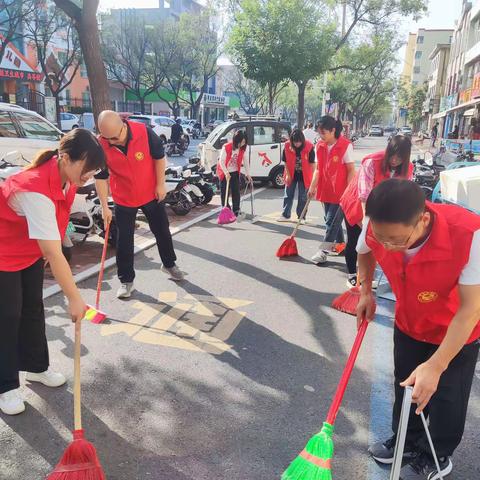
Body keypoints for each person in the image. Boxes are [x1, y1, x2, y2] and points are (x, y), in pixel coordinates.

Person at [357, 179, 480, 480]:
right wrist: (365, 292)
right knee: (406, 386)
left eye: (397, 241)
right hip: (410, 322)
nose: (388, 247)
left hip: (456, 330)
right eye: (381, 238)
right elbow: (365, 252)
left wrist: (437, 365)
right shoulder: (378, 225)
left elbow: (470, 309)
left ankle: (436, 453)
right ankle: (406, 441)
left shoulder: (468, 234)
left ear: (422, 220)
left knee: (446, 395)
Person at [0, 129, 106, 415]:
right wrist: (74, 298)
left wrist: (55, 245)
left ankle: (36, 368)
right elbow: (53, 251)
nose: (90, 174)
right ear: (65, 157)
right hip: (3, 253)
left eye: (94, 169)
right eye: (87, 167)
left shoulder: (67, 181)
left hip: (29, 252)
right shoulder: (34, 188)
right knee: (7, 316)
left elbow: (58, 227)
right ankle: (6, 385)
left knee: (33, 308)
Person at [95, 110, 184, 300]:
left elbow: (159, 158)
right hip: (124, 198)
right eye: (107, 138)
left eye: (115, 136)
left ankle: (169, 265)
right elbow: (101, 178)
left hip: (150, 193)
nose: (113, 141)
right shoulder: (101, 144)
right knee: (124, 240)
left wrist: (160, 184)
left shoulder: (144, 132)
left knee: (162, 231)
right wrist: (104, 206)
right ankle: (126, 281)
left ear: (123, 124)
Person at [340, 135, 413, 287]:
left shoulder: (408, 169)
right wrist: (367, 222)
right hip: (356, 203)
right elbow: (364, 195)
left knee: (374, 243)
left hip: (380, 209)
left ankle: (366, 276)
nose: (394, 160)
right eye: (392, 155)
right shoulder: (372, 162)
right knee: (356, 240)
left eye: (399, 158)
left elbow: (403, 196)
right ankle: (353, 274)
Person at [308, 116, 355, 265]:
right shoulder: (319, 146)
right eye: (320, 133)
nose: (322, 136)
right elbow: (318, 170)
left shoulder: (345, 146)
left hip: (341, 191)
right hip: (325, 189)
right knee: (331, 221)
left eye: (324, 133)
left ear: (333, 130)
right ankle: (340, 245)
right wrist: (312, 186)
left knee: (331, 221)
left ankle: (323, 251)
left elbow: (351, 170)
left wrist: (349, 192)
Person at [277, 129, 315, 223]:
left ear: (302, 140)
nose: (297, 144)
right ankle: (285, 215)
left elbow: (312, 164)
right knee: (288, 194)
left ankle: (301, 217)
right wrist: (288, 175)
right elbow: (285, 161)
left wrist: (314, 180)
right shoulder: (287, 145)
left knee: (303, 196)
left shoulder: (309, 146)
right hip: (291, 173)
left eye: (299, 142)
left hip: (305, 174)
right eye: (295, 142)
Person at [217, 130, 252, 216]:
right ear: (236, 140)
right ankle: (226, 209)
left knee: (236, 191)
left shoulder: (242, 149)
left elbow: (246, 161)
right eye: (241, 142)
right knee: (225, 191)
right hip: (224, 171)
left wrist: (248, 174)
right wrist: (226, 173)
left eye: (244, 142)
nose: (243, 144)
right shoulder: (227, 147)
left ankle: (236, 209)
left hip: (235, 171)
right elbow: (221, 161)